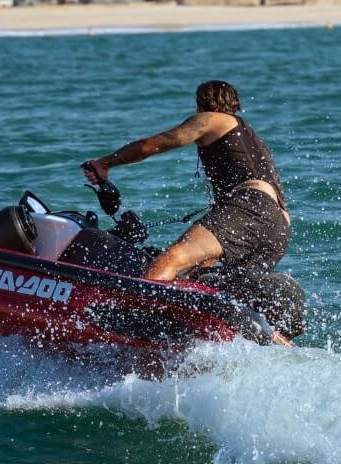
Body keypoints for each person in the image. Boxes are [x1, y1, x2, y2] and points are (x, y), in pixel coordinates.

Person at [82, 80, 303, 337]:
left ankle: (138, 319)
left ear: (201, 104)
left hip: (250, 207)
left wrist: (105, 163)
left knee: (170, 260)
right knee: (205, 282)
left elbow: (152, 145)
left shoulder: (212, 119)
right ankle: (260, 339)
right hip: (278, 228)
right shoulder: (249, 139)